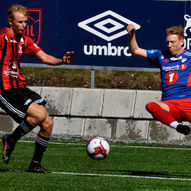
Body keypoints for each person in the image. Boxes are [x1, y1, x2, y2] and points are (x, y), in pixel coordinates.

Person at [0, 4, 74, 173]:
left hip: (19, 85)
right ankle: (11, 140)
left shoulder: (25, 40)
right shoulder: (1, 37)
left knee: (47, 123)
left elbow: (44, 57)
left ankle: (34, 164)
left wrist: (62, 61)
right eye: (20, 22)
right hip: (4, 89)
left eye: (25, 22)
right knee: (40, 115)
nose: (24, 25)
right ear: (10, 22)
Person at [126, 23, 191, 136]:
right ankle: (178, 127)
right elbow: (135, 50)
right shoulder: (160, 55)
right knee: (151, 105)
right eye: (167, 42)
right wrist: (132, 35)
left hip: (188, 102)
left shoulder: (189, 55)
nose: (169, 45)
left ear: (182, 42)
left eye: (173, 42)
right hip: (169, 104)